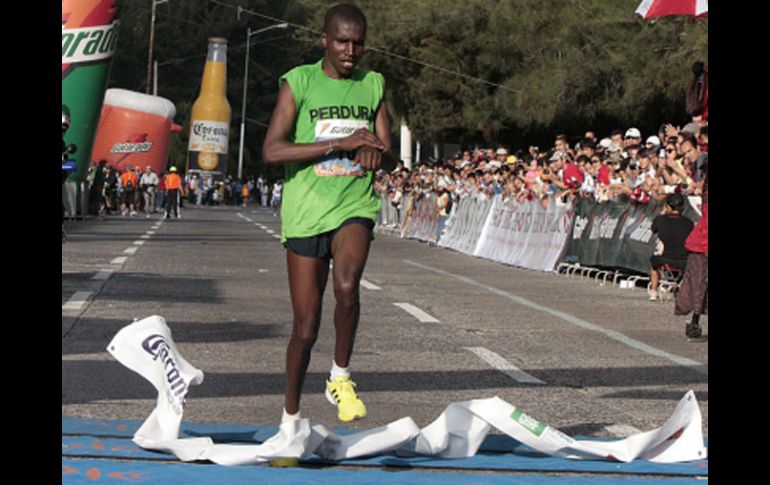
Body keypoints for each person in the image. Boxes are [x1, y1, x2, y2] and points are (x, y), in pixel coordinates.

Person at [261, 3, 394, 424]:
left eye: (358, 42)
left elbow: (387, 154)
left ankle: (340, 375)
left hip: (353, 204)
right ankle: (290, 415)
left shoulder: (373, 84)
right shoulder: (299, 82)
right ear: (325, 41)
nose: (351, 50)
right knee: (305, 327)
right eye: (342, 41)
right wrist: (340, 144)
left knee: (348, 285)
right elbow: (272, 150)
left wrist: (375, 153)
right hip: (306, 211)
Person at [675, 185, 708, 341]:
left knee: (698, 283)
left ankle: (694, 321)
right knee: (698, 283)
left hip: (700, 245)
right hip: (702, 246)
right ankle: (694, 322)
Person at [648, 193, 694, 301]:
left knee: (653, 263)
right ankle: (681, 286)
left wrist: (662, 213)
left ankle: (654, 291)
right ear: (682, 207)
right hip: (683, 260)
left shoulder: (661, 220)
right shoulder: (688, 223)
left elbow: (653, 229)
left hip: (663, 259)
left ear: (667, 206)